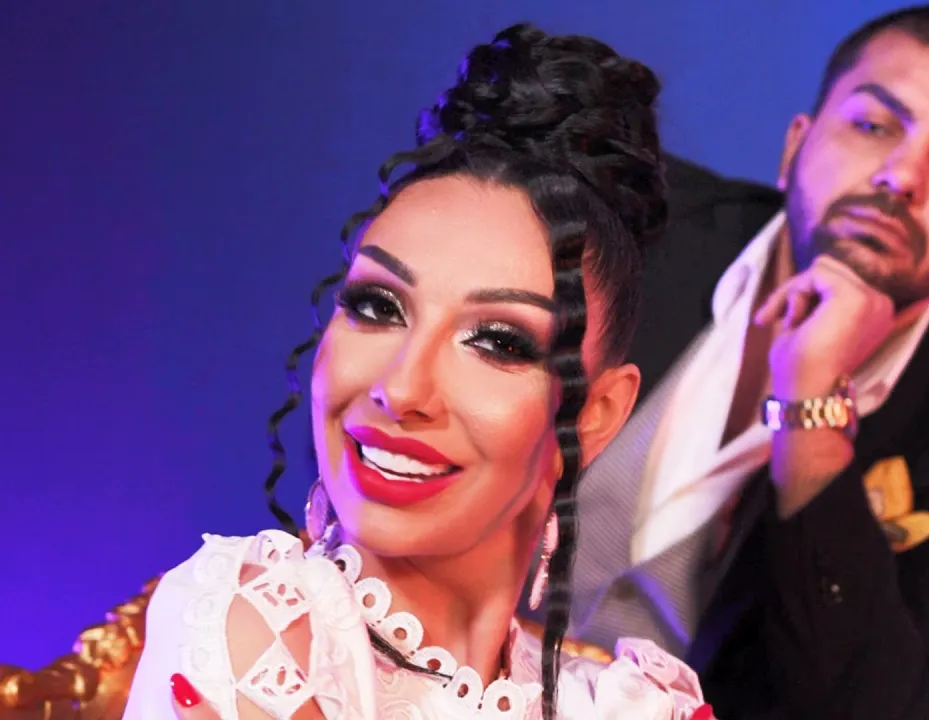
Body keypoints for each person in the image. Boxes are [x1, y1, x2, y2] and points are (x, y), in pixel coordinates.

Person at [123, 23, 715, 720]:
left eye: (497, 342)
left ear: (593, 416)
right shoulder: (257, 628)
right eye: (378, 306)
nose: (401, 388)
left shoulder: (630, 705)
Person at [544, 4, 929, 718]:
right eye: (874, 127)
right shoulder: (625, 215)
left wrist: (812, 413)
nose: (903, 176)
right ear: (795, 147)